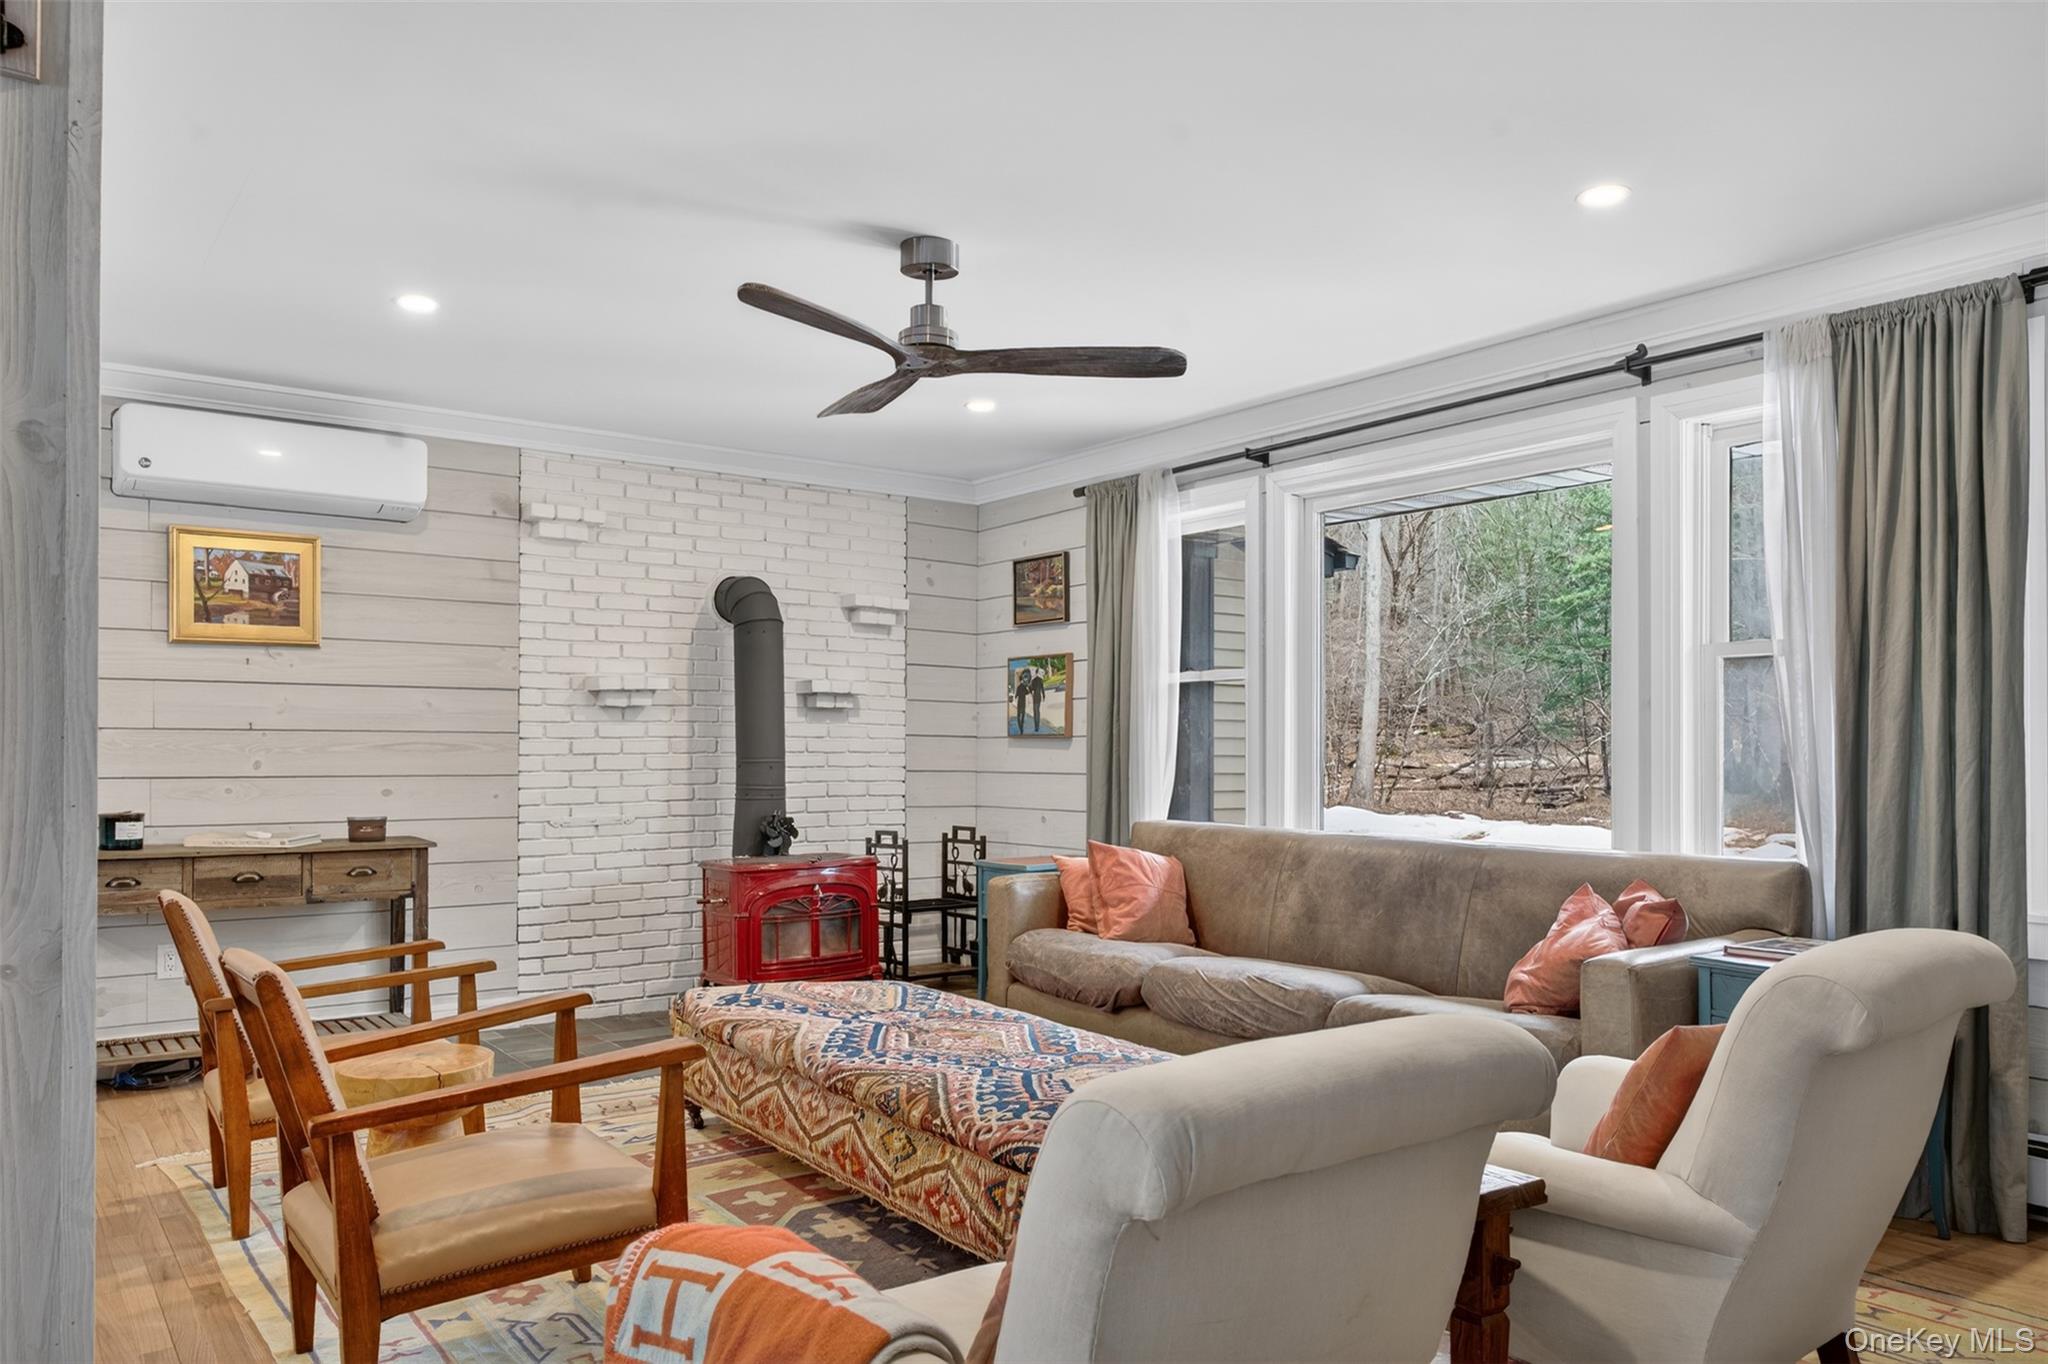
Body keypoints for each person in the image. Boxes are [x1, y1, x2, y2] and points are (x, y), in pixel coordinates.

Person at [1014, 665, 1035, 733]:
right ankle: (1021, 727)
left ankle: (1020, 727)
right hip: (1023, 702)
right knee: (1022, 715)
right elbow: (1027, 693)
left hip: (1019, 702)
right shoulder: (1023, 687)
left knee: (1019, 715)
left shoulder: (1019, 687)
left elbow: (1016, 695)